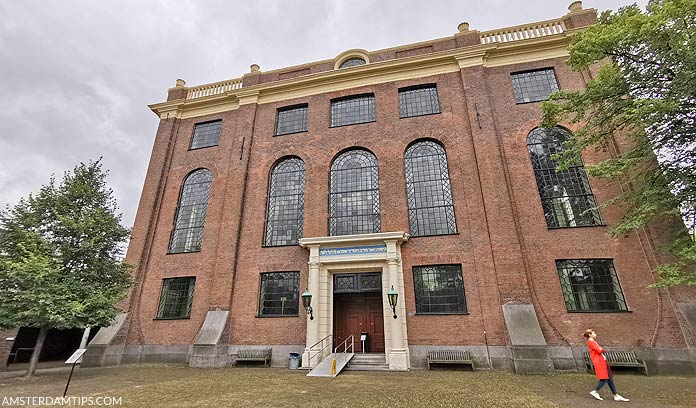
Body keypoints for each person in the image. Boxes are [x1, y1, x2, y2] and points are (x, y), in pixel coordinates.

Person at [584, 329, 630, 401]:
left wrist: (601, 349)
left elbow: (599, 349)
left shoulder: (593, 342)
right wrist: (601, 349)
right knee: (604, 378)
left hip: (602, 361)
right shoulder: (591, 342)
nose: (595, 334)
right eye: (594, 333)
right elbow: (599, 350)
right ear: (590, 334)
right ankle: (595, 391)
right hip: (599, 362)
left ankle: (616, 395)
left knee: (609, 378)